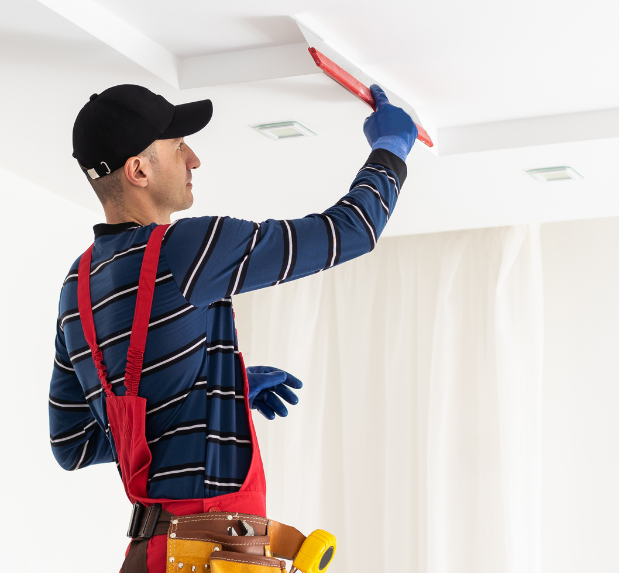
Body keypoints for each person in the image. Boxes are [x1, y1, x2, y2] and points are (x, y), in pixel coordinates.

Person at [48, 83, 417, 572]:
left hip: (151, 555)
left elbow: (72, 444)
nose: (193, 159)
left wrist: (223, 393)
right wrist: (390, 151)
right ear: (138, 170)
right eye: (179, 147)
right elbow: (350, 231)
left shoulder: (78, 285)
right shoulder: (189, 249)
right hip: (210, 557)